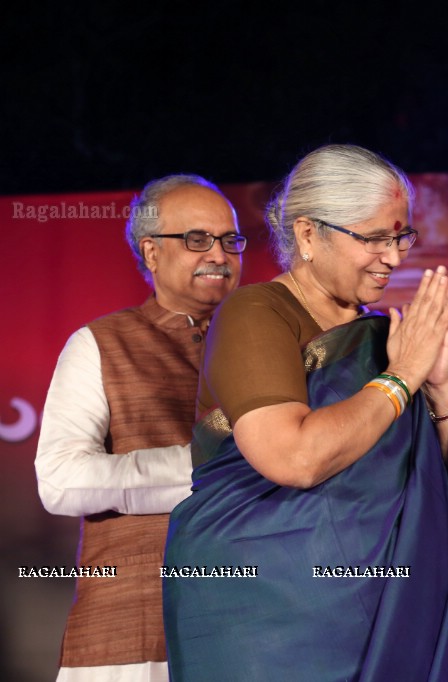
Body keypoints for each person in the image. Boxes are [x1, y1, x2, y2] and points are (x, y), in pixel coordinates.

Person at [162, 144, 448, 681]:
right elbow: (292, 457)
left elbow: (423, 477)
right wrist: (401, 377)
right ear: (308, 234)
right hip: (268, 616)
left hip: (390, 600)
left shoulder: (385, 338)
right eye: (374, 238)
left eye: (401, 236)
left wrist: (437, 393)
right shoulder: (256, 313)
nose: (394, 256)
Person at [35, 175, 243, 681]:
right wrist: (212, 470)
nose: (219, 254)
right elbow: (60, 480)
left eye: (230, 240)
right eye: (197, 239)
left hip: (258, 619)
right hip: (134, 630)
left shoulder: (271, 347)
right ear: (151, 253)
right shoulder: (101, 344)